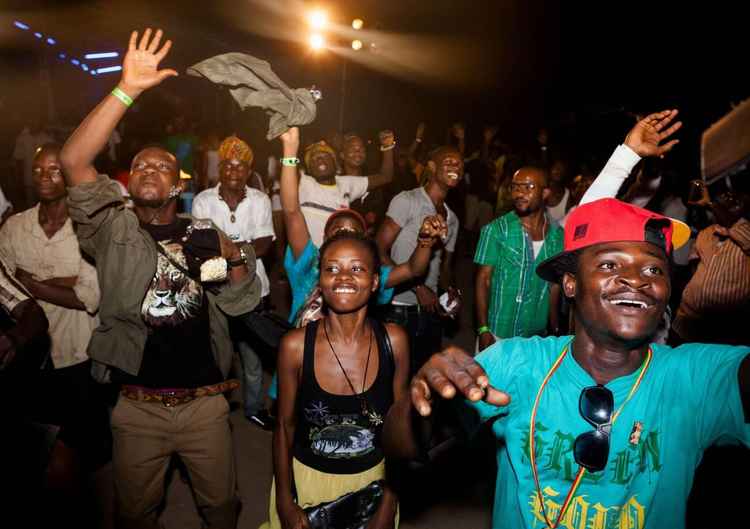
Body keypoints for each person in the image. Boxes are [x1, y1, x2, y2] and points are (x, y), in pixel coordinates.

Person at [384, 192, 750, 529]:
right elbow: (400, 449)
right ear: (571, 284)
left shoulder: (697, 377)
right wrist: (420, 402)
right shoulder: (517, 363)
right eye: (609, 265)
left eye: (654, 269)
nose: (636, 280)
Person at [60, 28, 260, 529]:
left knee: (221, 508)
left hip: (205, 408)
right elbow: (72, 161)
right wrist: (127, 88)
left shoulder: (203, 232)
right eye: (139, 165)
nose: (150, 169)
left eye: (162, 166)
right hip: (137, 409)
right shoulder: (110, 228)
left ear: (178, 183)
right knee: (134, 514)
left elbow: (235, 303)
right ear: (128, 181)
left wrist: (234, 257)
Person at [263, 231, 409, 529]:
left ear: (375, 282)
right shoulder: (295, 346)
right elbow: (283, 426)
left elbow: (401, 431)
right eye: (332, 268)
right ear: (320, 281)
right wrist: (285, 502)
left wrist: (388, 504)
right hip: (308, 480)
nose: (343, 277)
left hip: (373, 481)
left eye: (357, 268)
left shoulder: (394, 341)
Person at [0, 143, 108, 495]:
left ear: (69, 175)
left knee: (83, 450)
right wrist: (63, 282)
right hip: (30, 360)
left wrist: (29, 282)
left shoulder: (86, 229)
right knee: (37, 451)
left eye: (54, 170)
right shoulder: (14, 228)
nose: (45, 177)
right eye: (38, 171)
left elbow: (88, 297)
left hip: (78, 355)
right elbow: (3, 288)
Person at [192, 135, 276, 429]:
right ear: (220, 168)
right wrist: (243, 250)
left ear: (249, 171)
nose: (233, 172)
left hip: (254, 290)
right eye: (228, 165)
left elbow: (265, 242)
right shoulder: (203, 201)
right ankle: (214, 413)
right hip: (216, 291)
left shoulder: (260, 199)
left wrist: (229, 250)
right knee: (218, 355)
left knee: (252, 358)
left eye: (240, 167)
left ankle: (253, 407)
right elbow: (203, 249)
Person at [376, 145, 463, 373]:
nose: (456, 166)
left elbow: (445, 265)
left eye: (459, 163)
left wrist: (450, 292)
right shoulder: (407, 200)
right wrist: (418, 287)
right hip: (397, 306)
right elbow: (378, 248)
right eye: (449, 162)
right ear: (432, 167)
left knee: (424, 379)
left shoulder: (452, 218)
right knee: (391, 376)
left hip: (430, 311)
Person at [474, 165, 564, 350]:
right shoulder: (497, 230)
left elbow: (554, 285)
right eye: (515, 187)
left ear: (545, 192)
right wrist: (483, 329)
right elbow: (483, 280)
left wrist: (554, 328)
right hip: (498, 332)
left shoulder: (557, 235)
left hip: (536, 336)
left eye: (528, 187)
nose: (519, 193)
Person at [672, 177, 750, 345]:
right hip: (686, 323)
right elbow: (693, 268)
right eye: (725, 200)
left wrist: (710, 204)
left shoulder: (747, 235)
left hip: (724, 331)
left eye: (735, 202)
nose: (729, 204)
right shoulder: (706, 232)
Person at [298, 128, 394, 248]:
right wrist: (290, 147)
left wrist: (388, 147)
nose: (319, 159)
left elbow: (385, 176)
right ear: (309, 169)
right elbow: (287, 167)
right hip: (309, 260)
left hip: (339, 256)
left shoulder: (346, 184)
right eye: (313, 159)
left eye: (325, 156)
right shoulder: (304, 184)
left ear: (334, 162)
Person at [13, 116, 53, 209]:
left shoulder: (47, 139)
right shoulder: (22, 138)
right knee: (30, 206)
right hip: (28, 179)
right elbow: (18, 159)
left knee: (45, 205)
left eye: (36, 121)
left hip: (44, 180)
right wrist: (18, 180)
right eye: (31, 120)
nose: (34, 123)